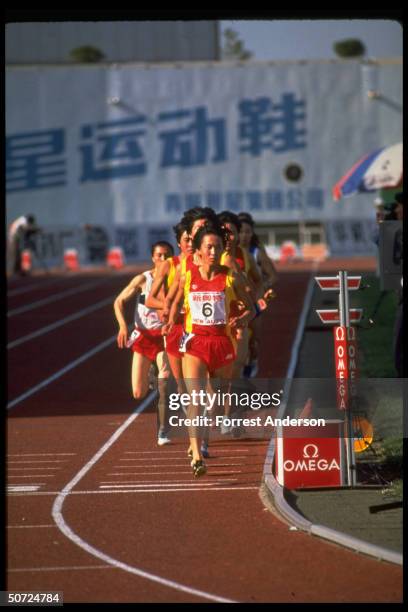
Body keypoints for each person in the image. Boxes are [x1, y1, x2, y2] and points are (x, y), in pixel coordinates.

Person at [164, 224, 255, 476]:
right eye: (209, 247)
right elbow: (173, 299)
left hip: (221, 344)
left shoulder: (230, 277)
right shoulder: (188, 275)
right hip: (195, 344)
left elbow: (251, 307)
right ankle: (196, 455)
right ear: (200, 251)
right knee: (196, 401)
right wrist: (171, 319)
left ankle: (202, 440)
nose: (213, 251)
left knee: (212, 403)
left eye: (217, 247)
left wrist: (242, 319)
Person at [113, 240, 174, 445]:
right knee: (138, 393)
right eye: (159, 255)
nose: (163, 259)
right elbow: (118, 301)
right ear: (152, 257)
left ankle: (163, 429)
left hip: (164, 337)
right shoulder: (143, 279)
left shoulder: (176, 279)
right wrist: (123, 326)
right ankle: (151, 372)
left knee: (165, 380)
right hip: (143, 338)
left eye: (167, 255)